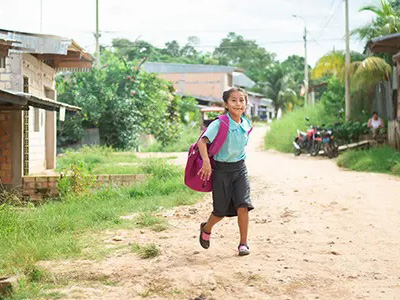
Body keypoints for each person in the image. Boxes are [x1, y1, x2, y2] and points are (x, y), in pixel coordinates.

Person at [196, 87, 254, 256]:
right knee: (220, 211)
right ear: (226, 104)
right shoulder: (220, 123)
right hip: (222, 171)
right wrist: (206, 162)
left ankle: (243, 243)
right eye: (234, 100)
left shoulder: (246, 123)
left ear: (245, 104)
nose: (238, 104)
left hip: (240, 169)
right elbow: (202, 142)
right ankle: (206, 228)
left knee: (243, 205)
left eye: (241, 100)